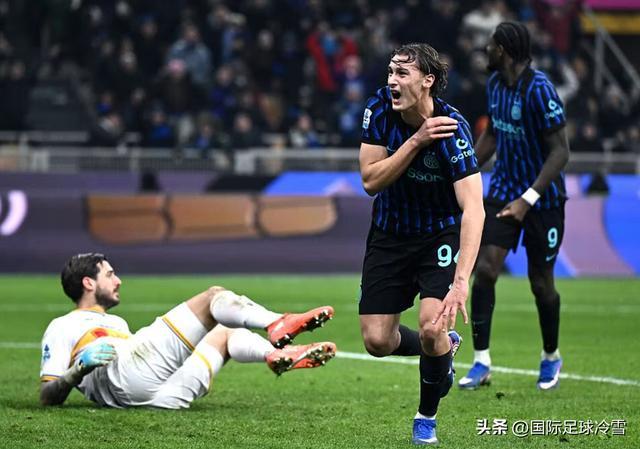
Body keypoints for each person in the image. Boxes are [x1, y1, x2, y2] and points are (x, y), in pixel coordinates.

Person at [358, 43, 485, 445]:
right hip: (390, 233)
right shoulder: (379, 110)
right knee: (377, 341)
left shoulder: (453, 129)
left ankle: (425, 418)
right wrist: (415, 141)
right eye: (390, 72)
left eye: (402, 74)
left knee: (432, 326)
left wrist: (461, 282)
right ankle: (444, 350)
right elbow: (370, 181)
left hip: (438, 235)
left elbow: (474, 209)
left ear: (427, 81)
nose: (392, 81)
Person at [40, 253, 336, 409]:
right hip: (129, 377)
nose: (118, 281)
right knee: (213, 297)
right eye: (109, 274)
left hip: (161, 397)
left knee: (225, 330)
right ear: (88, 283)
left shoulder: (117, 324)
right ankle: (277, 322)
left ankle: (275, 354)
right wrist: (76, 371)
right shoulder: (63, 325)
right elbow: (47, 396)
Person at [458, 22, 570, 391]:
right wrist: (465, 168)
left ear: (503, 50)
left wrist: (528, 199)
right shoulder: (494, 84)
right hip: (503, 191)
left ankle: (551, 356)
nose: (485, 50)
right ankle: (481, 361)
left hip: (543, 200)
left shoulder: (540, 89)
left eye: (490, 45)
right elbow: (493, 134)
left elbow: (561, 152)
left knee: (541, 283)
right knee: (486, 270)